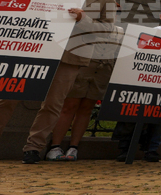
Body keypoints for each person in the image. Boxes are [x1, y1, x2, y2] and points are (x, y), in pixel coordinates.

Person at [0, 0, 116, 164]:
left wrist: (83, 18)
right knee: (5, 98)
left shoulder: (106, 1)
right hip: (37, 52)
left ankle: (33, 148)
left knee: (53, 104)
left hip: (71, 57)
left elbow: (107, 30)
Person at [115, 4, 161, 162]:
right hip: (144, 80)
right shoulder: (149, 32)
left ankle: (151, 149)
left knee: (159, 119)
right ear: (160, 15)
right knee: (132, 115)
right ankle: (125, 148)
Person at [46, 18, 124, 162]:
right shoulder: (90, 24)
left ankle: (74, 147)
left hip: (104, 71)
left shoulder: (120, 31)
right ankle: (55, 146)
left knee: (87, 108)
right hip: (84, 66)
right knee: (69, 106)